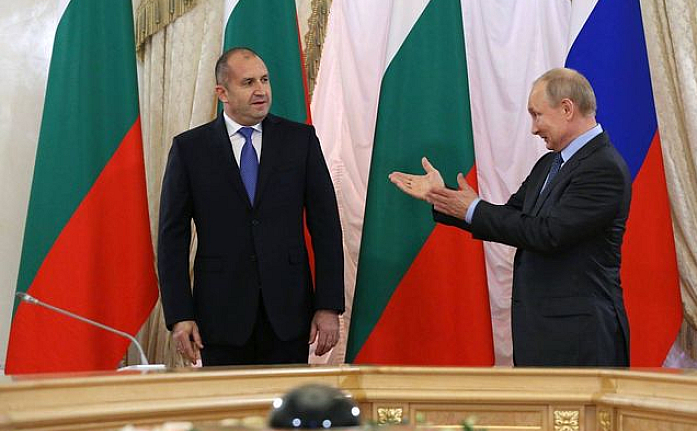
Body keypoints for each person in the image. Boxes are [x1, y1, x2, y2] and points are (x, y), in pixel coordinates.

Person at [389, 68, 631, 367]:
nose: (533, 128)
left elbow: (549, 233)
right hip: (542, 333)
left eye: (537, 115)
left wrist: (472, 208)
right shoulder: (549, 164)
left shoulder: (603, 167)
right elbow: (513, 218)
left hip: (580, 338)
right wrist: (443, 196)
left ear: (567, 109)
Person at [157, 47, 344, 366]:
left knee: (287, 399)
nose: (261, 90)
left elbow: (326, 226)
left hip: (288, 313)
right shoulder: (190, 149)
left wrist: (328, 306)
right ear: (222, 93)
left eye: (264, 80)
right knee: (227, 400)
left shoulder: (300, 141)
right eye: (248, 82)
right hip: (220, 315)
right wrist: (179, 315)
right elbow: (171, 238)